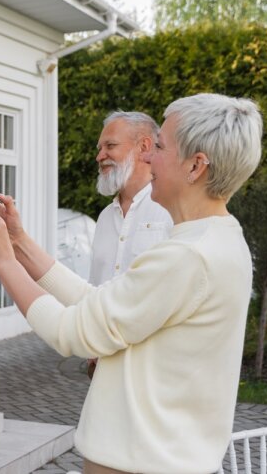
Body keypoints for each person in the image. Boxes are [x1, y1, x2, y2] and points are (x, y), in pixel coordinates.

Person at [0, 93, 263, 473]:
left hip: (140, 461)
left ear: (195, 166)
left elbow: (72, 331)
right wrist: (18, 243)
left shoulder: (187, 256)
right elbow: (100, 303)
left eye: (159, 146)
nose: (149, 156)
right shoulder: (219, 238)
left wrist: (2, 261)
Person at [86, 111, 172, 377]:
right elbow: (95, 288)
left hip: (153, 368)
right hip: (105, 363)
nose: (100, 156)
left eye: (110, 146)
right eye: (100, 148)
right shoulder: (103, 218)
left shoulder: (171, 210)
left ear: (144, 146)